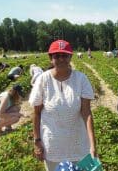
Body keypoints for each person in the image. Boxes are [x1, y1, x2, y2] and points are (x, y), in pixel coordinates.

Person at [29, 39, 97, 171]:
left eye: (65, 55)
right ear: (51, 58)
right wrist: (37, 141)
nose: (61, 59)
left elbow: (86, 113)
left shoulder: (81, 79)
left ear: (70, 57)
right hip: (52, 146)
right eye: (56, 56)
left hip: (78, 144)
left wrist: (93, 144)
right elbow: (36, 113)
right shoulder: (43, 80)